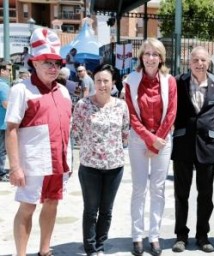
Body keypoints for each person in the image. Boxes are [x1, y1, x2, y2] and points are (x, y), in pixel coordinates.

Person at [5, 27, 72, 256]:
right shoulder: (21, 90)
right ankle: (21, 254)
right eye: (47, 63)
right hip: (33, 164)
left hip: (58, 163)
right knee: (27, 208)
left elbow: (67, 129)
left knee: (52, 204)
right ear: (34, 62)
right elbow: (11, 130)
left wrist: (69, 161)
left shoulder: (63, 91)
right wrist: (15, 167)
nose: (53, 68)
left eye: (56, 63)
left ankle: (45, 250)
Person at [171, 46, 214, 253]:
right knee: (181, 194)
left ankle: (203, 235)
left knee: (206, 194)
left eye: (203, 60)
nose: (199, 63)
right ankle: (181, 235)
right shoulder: (177, 82)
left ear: (209, 61)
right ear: (189, 61)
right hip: (183, 145)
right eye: (195, 59)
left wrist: (206, 129)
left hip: (207, 146)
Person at [124, 38, 177, 256]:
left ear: (161, 57)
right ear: (141, 57)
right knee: (139, 188)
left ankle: (154, 236)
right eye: (147, 53)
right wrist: (148, 139)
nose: (151, 58)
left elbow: (172, 112)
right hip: (138, 140)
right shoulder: (131, 80)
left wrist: (156, 143)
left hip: (162, 140)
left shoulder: (169, 80)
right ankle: (137, 235)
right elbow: (132, 115)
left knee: (158, 189)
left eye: (155, 54)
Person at [72, 64, 130, 256]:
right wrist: (92, 149)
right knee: (91, 210)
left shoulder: (121, 105)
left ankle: (100, 244)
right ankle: (90, 248)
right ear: (93, 81)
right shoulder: (83, 105)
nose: (102, 85)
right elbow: (76, 133)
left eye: (106, 81)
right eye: (98, 80)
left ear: (113, 82)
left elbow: (125, 132)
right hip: (90, 167)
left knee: (107, 210)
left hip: (115, 167)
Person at [0, 61, 11, 182]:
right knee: (2, 150)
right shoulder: (3, 85)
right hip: (2, 122)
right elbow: (6, 104)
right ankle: (2, 173)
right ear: (1, 71)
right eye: (7, 70)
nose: (9, 72)